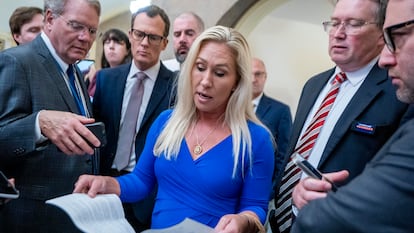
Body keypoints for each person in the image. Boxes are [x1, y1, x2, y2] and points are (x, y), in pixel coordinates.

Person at [74, 25, 275, 232]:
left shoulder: (256, 140)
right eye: (200, 67)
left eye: (220, 73)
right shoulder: (166, 122)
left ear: (237, 82)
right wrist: (107, 184)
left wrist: (244, 219)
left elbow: (256, 206)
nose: (205, 81)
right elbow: (141, 181)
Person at [270, 0, 410, 232]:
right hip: (283, 219)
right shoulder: (313, 85)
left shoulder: (399, 91)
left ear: (380, 34)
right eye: (334, 23)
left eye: (353, 24)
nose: (338, 33)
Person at [0, 0, 102, 232]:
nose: (85, 37)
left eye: (92, 30)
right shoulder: (16, 61)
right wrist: (39, 123)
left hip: (73, 211)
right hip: (33, 217)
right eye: (76, 26)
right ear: (49, 19)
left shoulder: (74, 69)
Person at [91, 5, 175, 232]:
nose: (145, 42)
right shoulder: (106, 79)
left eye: (153, 37)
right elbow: (96, 134)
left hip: (148, 194)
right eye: (139, 34)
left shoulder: (176, 87)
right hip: (104, 188)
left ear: (165, 43)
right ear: (130, 36)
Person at [251, 57, 292, 196]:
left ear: (265, 77)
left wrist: (272, 189)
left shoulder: (280, 111)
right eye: (248, 74)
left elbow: (284, 155)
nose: (253, 79)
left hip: (262, 191)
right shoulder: (228, 108)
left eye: (258, 74)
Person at [86, 28, 132, 97]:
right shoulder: (98, 76)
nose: (111, 46)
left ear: (127, 51)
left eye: (117, 42)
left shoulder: (132, 78)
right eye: (107, 42)